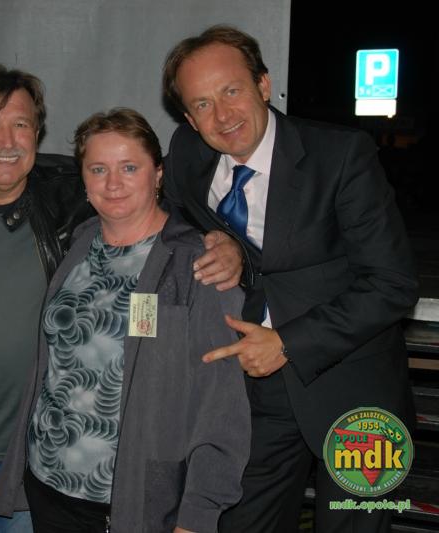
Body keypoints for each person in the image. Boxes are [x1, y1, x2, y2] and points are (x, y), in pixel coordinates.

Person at [0, 64, 243, 533]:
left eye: (20, 124)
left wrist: (225, 241)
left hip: (33, 462)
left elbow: (220, 406)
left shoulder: (70, 209)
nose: (6, 140)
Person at [162, 25, 419, 532]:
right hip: (253, 394)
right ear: (189, 119)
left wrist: (288, 343)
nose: (223, 115)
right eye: (203, 104)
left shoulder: (340, 155)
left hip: (356, 393)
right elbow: (164, 217)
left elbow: (392, 283)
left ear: (263, 84)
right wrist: (217, 241)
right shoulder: (188, 154)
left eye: (231, 91)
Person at [0, 108, 250, 533]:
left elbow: (221, 408)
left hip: (132, 499)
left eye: (130, 167)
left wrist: (198, 513)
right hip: (48, 483)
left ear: (158, 173)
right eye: (98, 169)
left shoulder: (198, 265)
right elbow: (17, 171)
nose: (113, 183)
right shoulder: (79, 241)